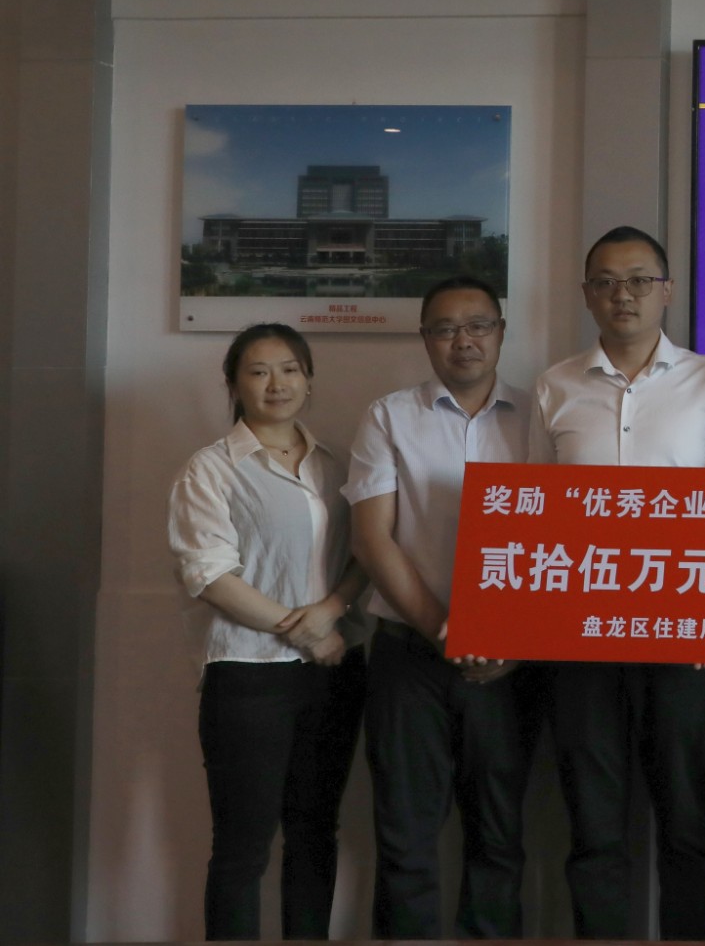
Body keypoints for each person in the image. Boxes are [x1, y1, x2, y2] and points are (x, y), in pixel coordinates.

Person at [531, 224, 705, 940]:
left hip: (682, 628)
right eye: (605, 282)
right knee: (593, 821)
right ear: (586, 295)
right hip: (579, 634)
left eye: (638, 280)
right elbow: (531, 508)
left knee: (685, 816)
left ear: (667, 290)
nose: (622, 294)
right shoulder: (555, 385)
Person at [346, 275, 540, 937]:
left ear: (501, 332)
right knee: (406, 837)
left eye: (478, 325)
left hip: (513, 664)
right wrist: (446, 631)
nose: (464, 340)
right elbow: (372, 538)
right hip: (410, 656)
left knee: (499, 839)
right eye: (446, 328)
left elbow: (562, 537)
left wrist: (510, 640)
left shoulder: (542, 418)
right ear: (425, 338)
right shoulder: (388, 416)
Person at [166, 323, 368, 940]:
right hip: (248, 675)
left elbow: (366, 552)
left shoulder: (336, 464)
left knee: (315, 833)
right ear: (233, 385)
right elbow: (209, 575)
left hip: (333, 675)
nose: (276, 383)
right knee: (242, 847)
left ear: (309, 380)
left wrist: (332, 609)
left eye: (289, 369)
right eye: (258, 371)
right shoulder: (210, 469)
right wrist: (305, 631)